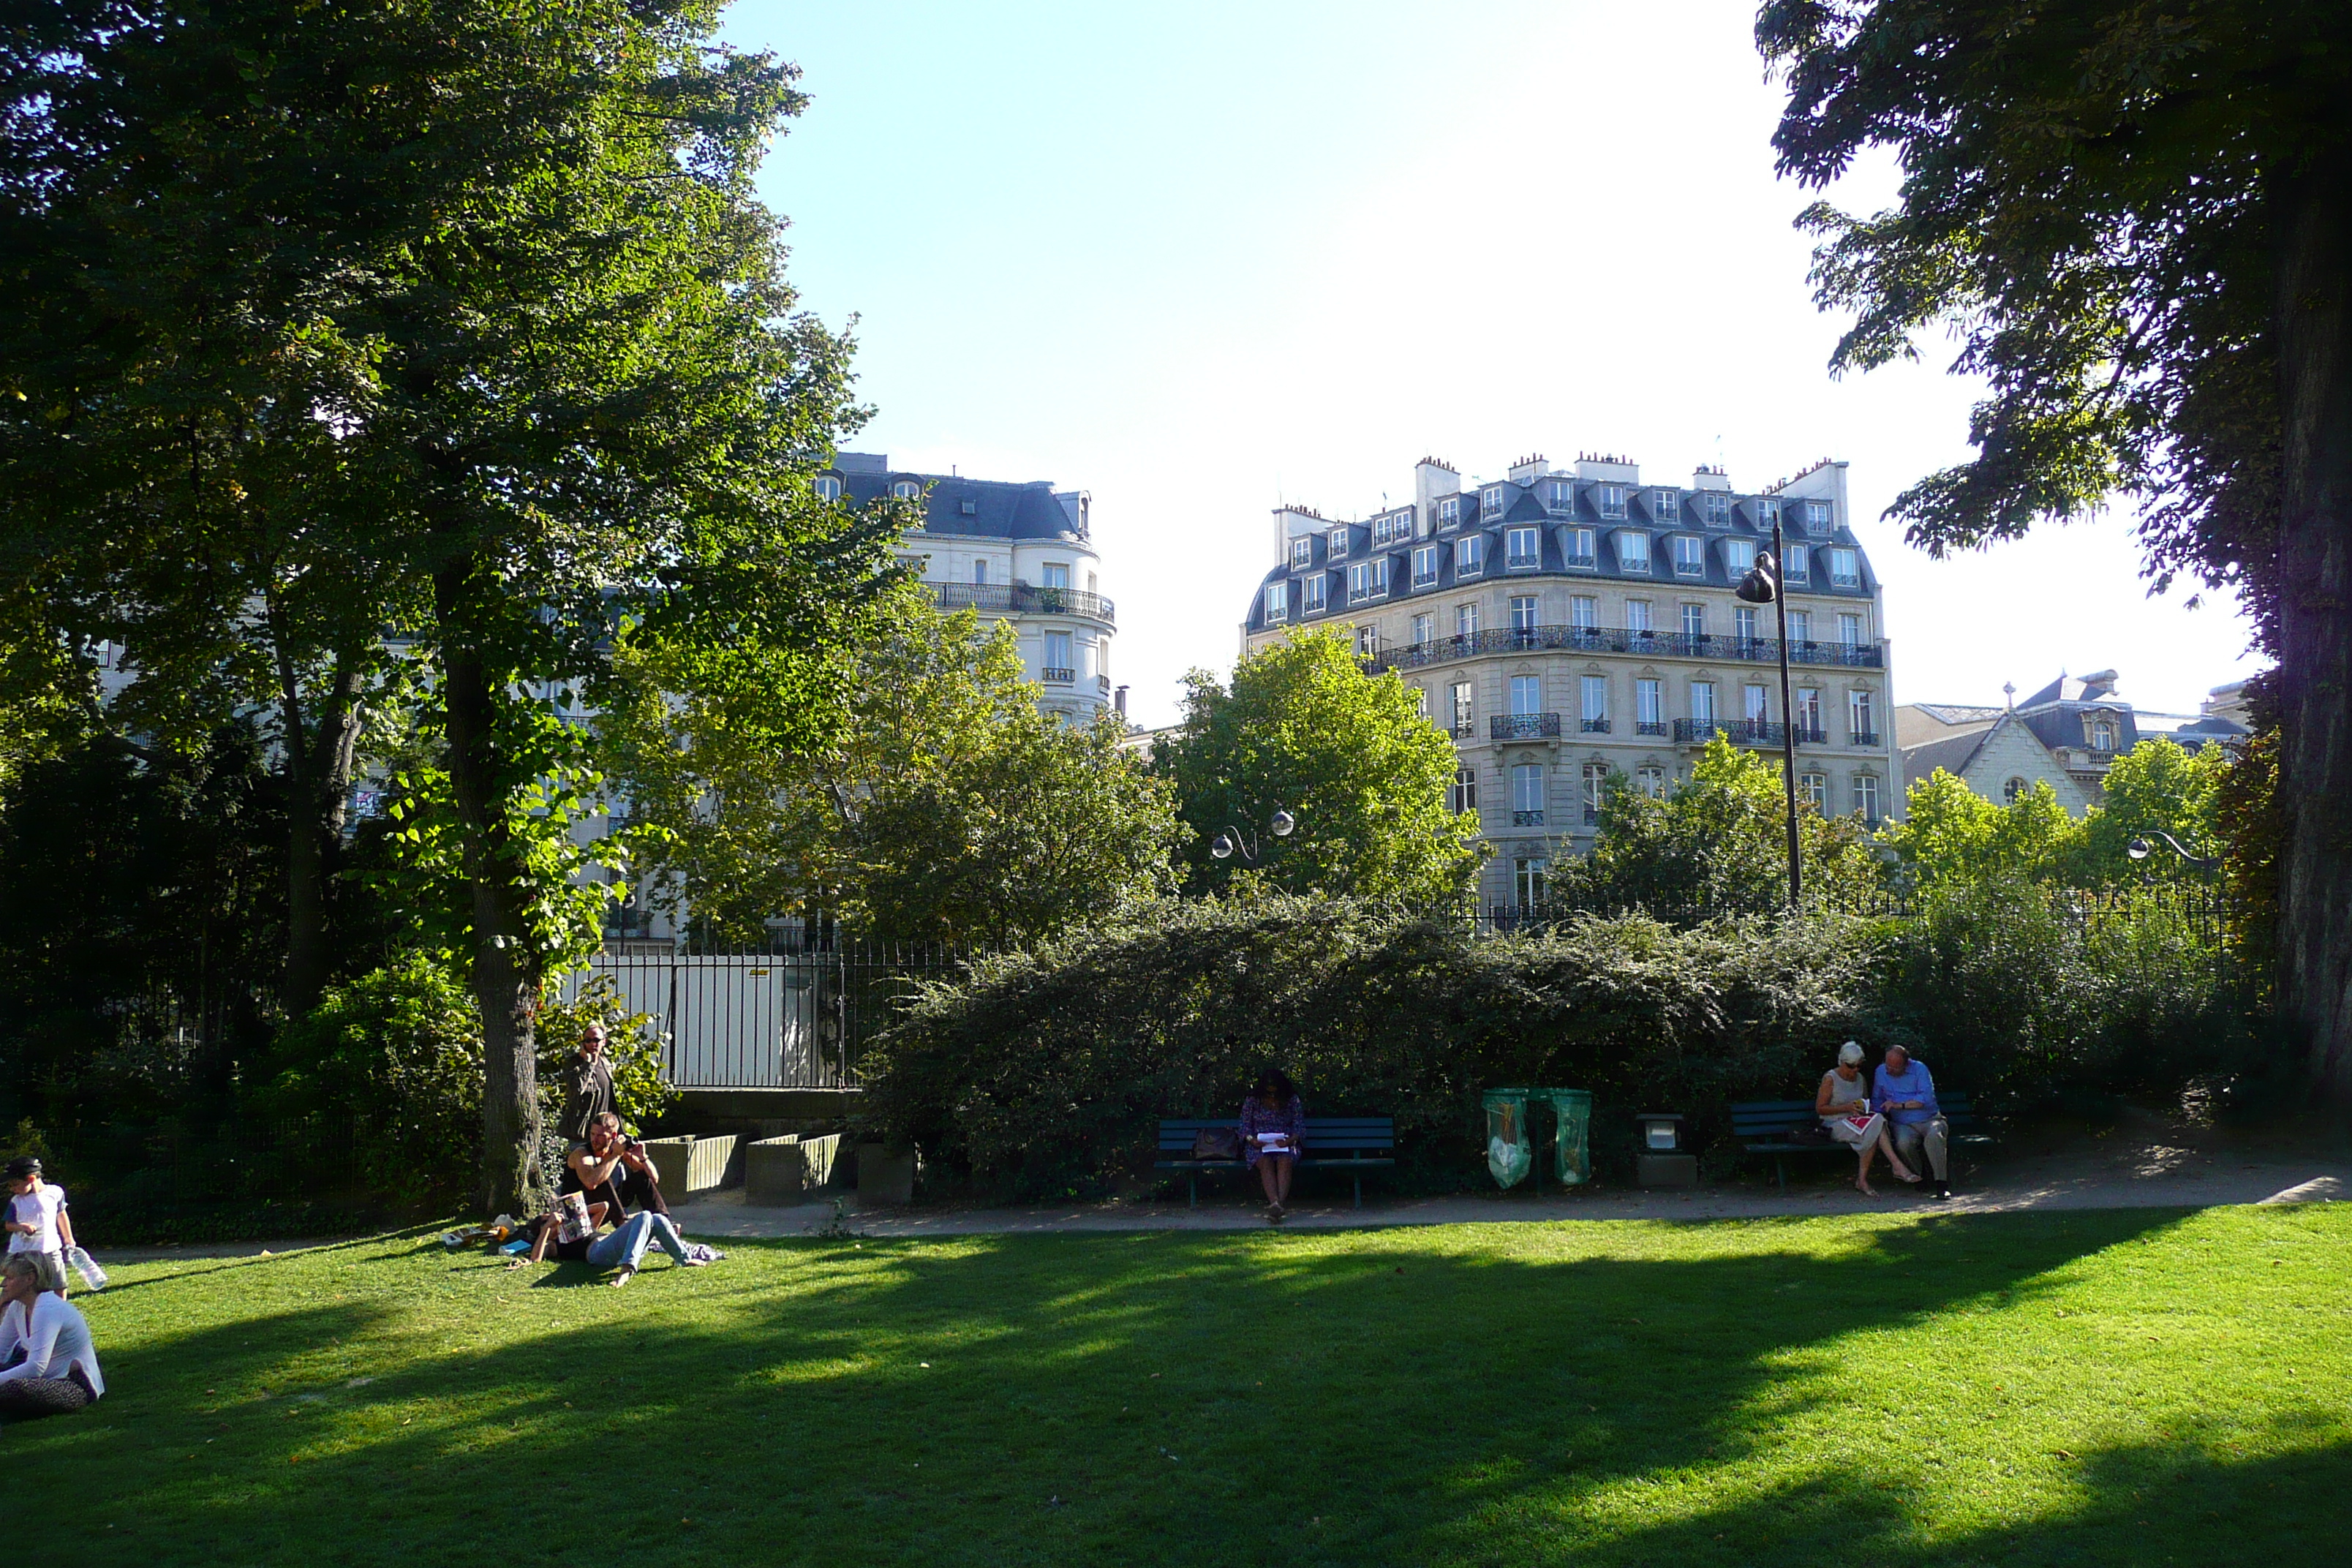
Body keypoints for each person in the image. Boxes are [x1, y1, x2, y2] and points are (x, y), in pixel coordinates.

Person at [511, 1113, 701, 1285]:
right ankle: (627, 1270)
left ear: (612, 1135)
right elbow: (536, 1258)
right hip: (598, 1252)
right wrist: (547, 1227)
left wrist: (641, 1158)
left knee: (656, 1218)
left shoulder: (579, 1228)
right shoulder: (557, 1244)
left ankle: (683, 1258)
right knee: (643, 1216)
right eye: (593, 1134)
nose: (594, 1139)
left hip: (608, 1241)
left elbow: (605, 1205)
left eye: (599, 1135)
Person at [0, 1253, 100, 1419]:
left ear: (30, 1279)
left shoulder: (48, 1308)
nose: (4, 1284)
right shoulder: (18, 1307)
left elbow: (36, 1367)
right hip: (43, 1379)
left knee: (14, 1390)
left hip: (73, 1384)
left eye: (10, 1278)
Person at [1816, 1041, 1917, 1196]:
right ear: (1842, 1062)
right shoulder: (1831, 1078)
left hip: (1857, 1122)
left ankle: (1863, 1181)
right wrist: (1846, 1108)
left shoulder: (1860, 1078)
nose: (1855, 1070)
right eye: (1851, 1066)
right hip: (1834, 1124)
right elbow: (1821, 1109)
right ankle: (1896, 1166)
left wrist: (1861, 1109)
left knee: (1875, 1124)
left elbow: (1865, 1103)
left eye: (1858, 1066)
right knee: (1876, 1125)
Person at [1874, 1044, 1952, 1199]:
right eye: (1888, 1065)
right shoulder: (1881, 1071)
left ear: (1906, 1064)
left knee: (1934, 1136)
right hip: (1902, 1123)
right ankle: (1921, 1176)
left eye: (1895, 1067)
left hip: (1929, 1119)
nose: (1889, 1070)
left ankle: (1941, 1184)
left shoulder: (1920, 1069)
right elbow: (1877, 1100)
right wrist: (1877, 1116)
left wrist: (1898, 1105)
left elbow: (1925, 1099)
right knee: (1903, 1143)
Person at [1239, 1068, 1305, 1223]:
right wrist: (1252, 1140)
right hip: (1259, 1145)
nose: (1272, 1096)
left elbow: (1299, 1127)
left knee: (1286, 1161)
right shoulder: (1253, 1100)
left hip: (1285, 1143)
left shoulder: (1292, 1100)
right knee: (1264, 1162)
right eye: (1269, 1093)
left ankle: (1277, 1206)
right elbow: (1244, 1126)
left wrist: (1290, 1141)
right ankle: (1275, 1204)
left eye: (1275, 1092)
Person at [4, 1156, 74, 1297]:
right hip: (22, 1252)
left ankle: (60, 1313)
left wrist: (68, 1237)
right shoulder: (16, 1201)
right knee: (11, 1290)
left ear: (30, 1179)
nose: (12, 1189)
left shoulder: (55, 1192)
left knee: (59, 1285)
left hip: (50, 1249)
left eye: (15, 1184)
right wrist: (22, 1227)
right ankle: (5, 1314)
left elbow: (61, 1214)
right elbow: (8, 1225)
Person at [557, 1022, 618, 1145]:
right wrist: (589, 1063)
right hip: (581, 1133)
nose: (592, 1044)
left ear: (604, 1042)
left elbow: (611, 1100)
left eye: (596, 1040)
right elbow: (577, 1089)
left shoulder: (606, 1064)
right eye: (588, 1040)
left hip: (604, 1133)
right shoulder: (574, 1063)